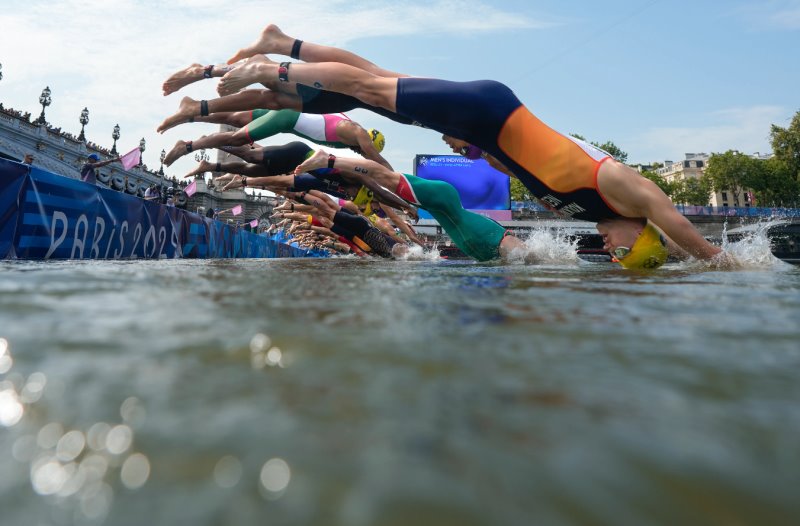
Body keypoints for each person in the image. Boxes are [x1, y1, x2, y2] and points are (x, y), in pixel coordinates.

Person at [217, 24, 732, 269]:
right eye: (625, 255)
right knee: (369, 89)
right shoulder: (624, 188)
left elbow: (528, 165)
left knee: (375, 82)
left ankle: (283, 43)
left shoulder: (584, 211)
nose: (614, 255)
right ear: (639, 237)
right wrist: (722, 263)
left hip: (484, 132)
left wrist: (478, 152)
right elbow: (686, 231)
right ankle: (273, 68)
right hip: (490, 110)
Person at [294, 149, 531, 262]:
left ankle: (329, 159)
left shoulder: (376, 199)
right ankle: (328, 159)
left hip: (466, 225)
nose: (448, 144)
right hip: (447, 202)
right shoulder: (376, 198)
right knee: (385, 175)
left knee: (386, 176)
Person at [160, 106, 390, 170]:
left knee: (234, 117)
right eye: (365, 148)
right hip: (286, 119)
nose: (361, 151)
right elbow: (377, 162)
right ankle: (188, 146)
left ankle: (190, 114)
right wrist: (401, 183)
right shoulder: (357, 132)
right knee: (239, 137)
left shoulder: (348, 125)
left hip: (287, 112)